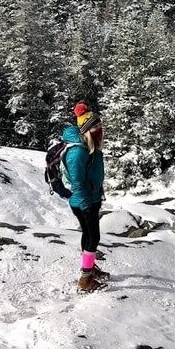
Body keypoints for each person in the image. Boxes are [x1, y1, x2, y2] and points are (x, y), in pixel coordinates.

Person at [63, 101, 107, 293]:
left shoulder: (90, 147)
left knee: (88, 235)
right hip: (83, 201)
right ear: (88, 130)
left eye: (100, 125)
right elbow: (77, 183)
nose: (100, 129)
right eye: (96, 126)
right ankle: (85, 279)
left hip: (92, 197)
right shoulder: (78, 152)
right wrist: (86, 204)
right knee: (93, 236)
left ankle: (89, 267)